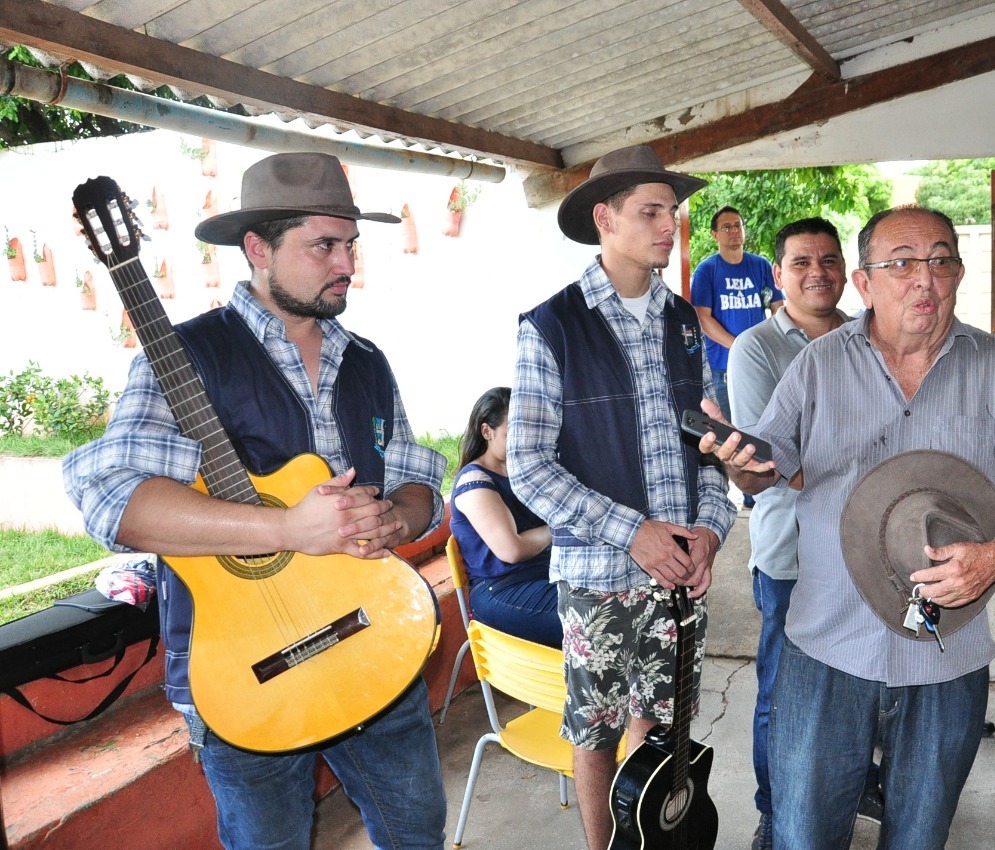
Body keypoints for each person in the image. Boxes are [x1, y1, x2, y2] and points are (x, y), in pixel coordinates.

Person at [63, 153, 448, 850]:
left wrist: (400, 515)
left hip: (373, 640)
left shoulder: (366, 360)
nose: (346, 264)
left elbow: (419, 479)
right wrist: (288, 528)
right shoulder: (183, 356)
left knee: (418, 831)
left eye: (351, 245)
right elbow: (113, 501)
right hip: (242, 670)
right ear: (257, 249)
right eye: (324, 245)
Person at [703, 205, 995, 850]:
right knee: (804, 831)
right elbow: (768, 468)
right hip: (829, 643)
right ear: (865, 282)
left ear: (958, 273)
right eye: (901, 263)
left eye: (941, 260)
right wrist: (742, 466)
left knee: (921, 835)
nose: (924, 279)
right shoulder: (816, 366)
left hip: (946, 649)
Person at [507, 144, 735, 850]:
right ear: (605, 218)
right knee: (597, 732)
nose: (671, 224)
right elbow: (528, 467)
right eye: (652, 211)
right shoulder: (551, 326)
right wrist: (633, 531)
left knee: (659, 732)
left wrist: (711, 531)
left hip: (678, 581)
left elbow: (711, 444)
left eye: (673, 210)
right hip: (598, 578)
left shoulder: (684, 325)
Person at [725, 217, 857, 848]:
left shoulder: (868, 337)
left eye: (828, 260)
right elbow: (768, 459)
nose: (817, 273)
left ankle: (845, 795)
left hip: (865, 550)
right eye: (801, 262)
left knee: (856, 687)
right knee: (782, 696)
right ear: (776, 275)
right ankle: (774, 815)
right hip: (792, 557)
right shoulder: (756, 347)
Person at [449, 386, 558, 647]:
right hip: (503, 591)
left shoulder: (525, 471)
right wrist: (557, 527)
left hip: (544, 576)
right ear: (487, 431)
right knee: (595, 617)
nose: (524, 440)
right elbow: (512, 550)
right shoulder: (474, 480)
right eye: (513, 433)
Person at [691, 206, 783, 511]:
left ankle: (767, 483)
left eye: (738, 225)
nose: (734, 231)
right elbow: (702, 317)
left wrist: (777, 341)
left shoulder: (760, 266)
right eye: (727, 227)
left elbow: (778, 305)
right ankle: (747, 494)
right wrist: (740, 346)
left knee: (764, 422)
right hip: (723, 363)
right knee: (732, 428)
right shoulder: (708, 270)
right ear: (715, 234)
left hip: (763, 361)